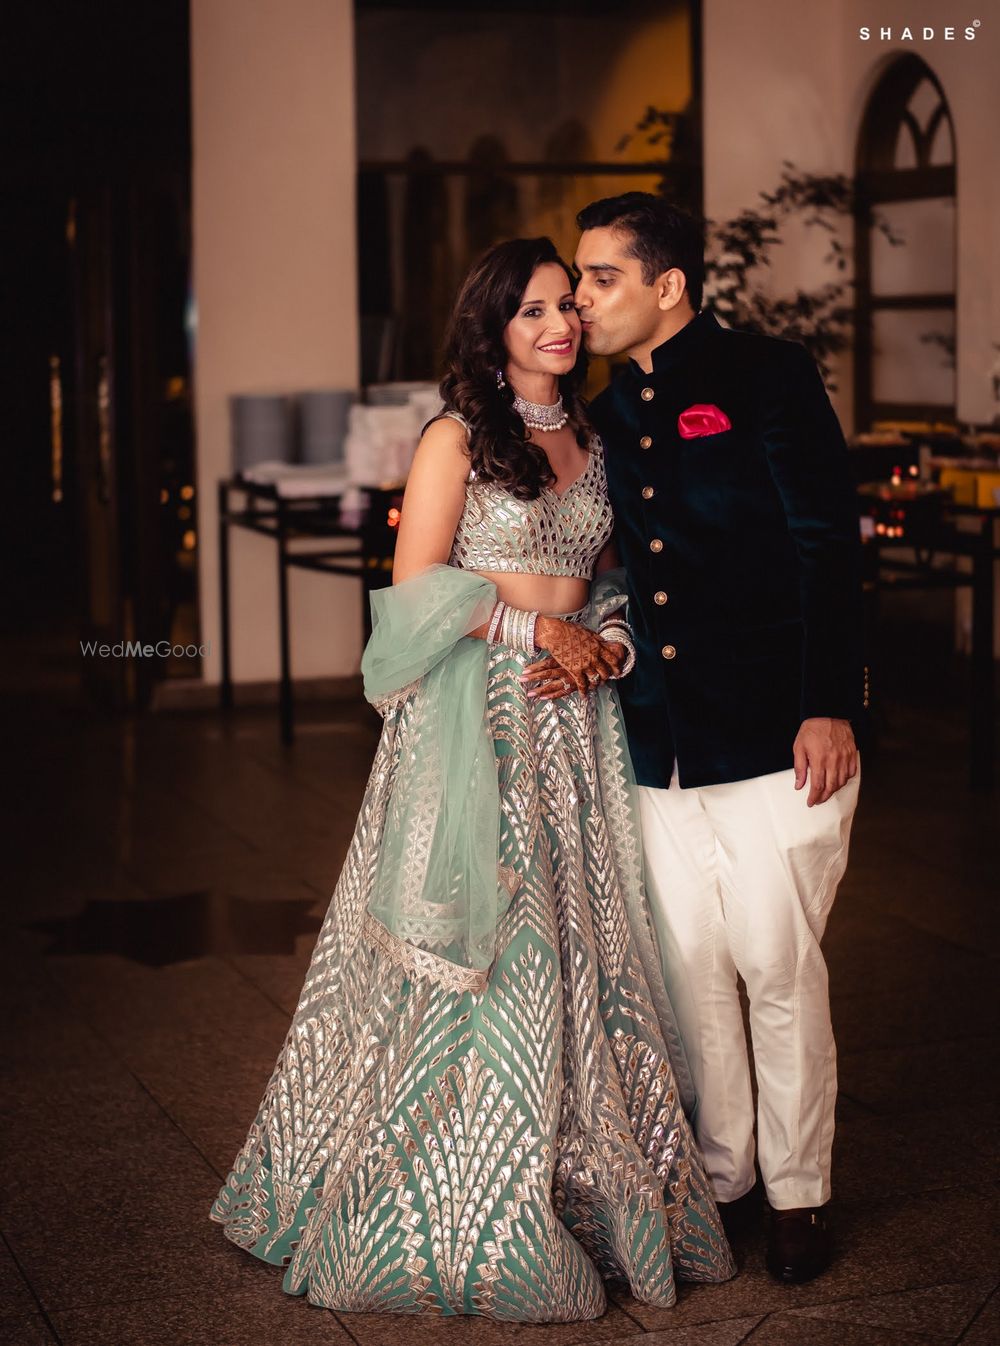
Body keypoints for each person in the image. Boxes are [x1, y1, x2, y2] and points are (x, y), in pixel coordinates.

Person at [210, 236, 735, 1321]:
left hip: (576, 720)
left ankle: (585, 1178)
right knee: (490, 933)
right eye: (534, 308)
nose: (560, 324)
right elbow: (412, 596)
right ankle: (452, 1187)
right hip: (482, 717)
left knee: (586, 943)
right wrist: (536, 626)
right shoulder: (456, 437)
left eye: (568, 307)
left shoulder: (595, 436)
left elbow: (619, 580)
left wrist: (609, 644)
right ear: (493, 325)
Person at [570, 192, 865, 1285]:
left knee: (776, 964)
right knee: (692, 965)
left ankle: (798, 1192)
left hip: (781, 730)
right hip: (661, 737)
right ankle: (725, 1171)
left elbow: (825, 544)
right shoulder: (603, 408)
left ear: (667, 285)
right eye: (580, 277)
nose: (584, 298)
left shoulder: (767, 375)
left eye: (602, 276)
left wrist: (831, 698)